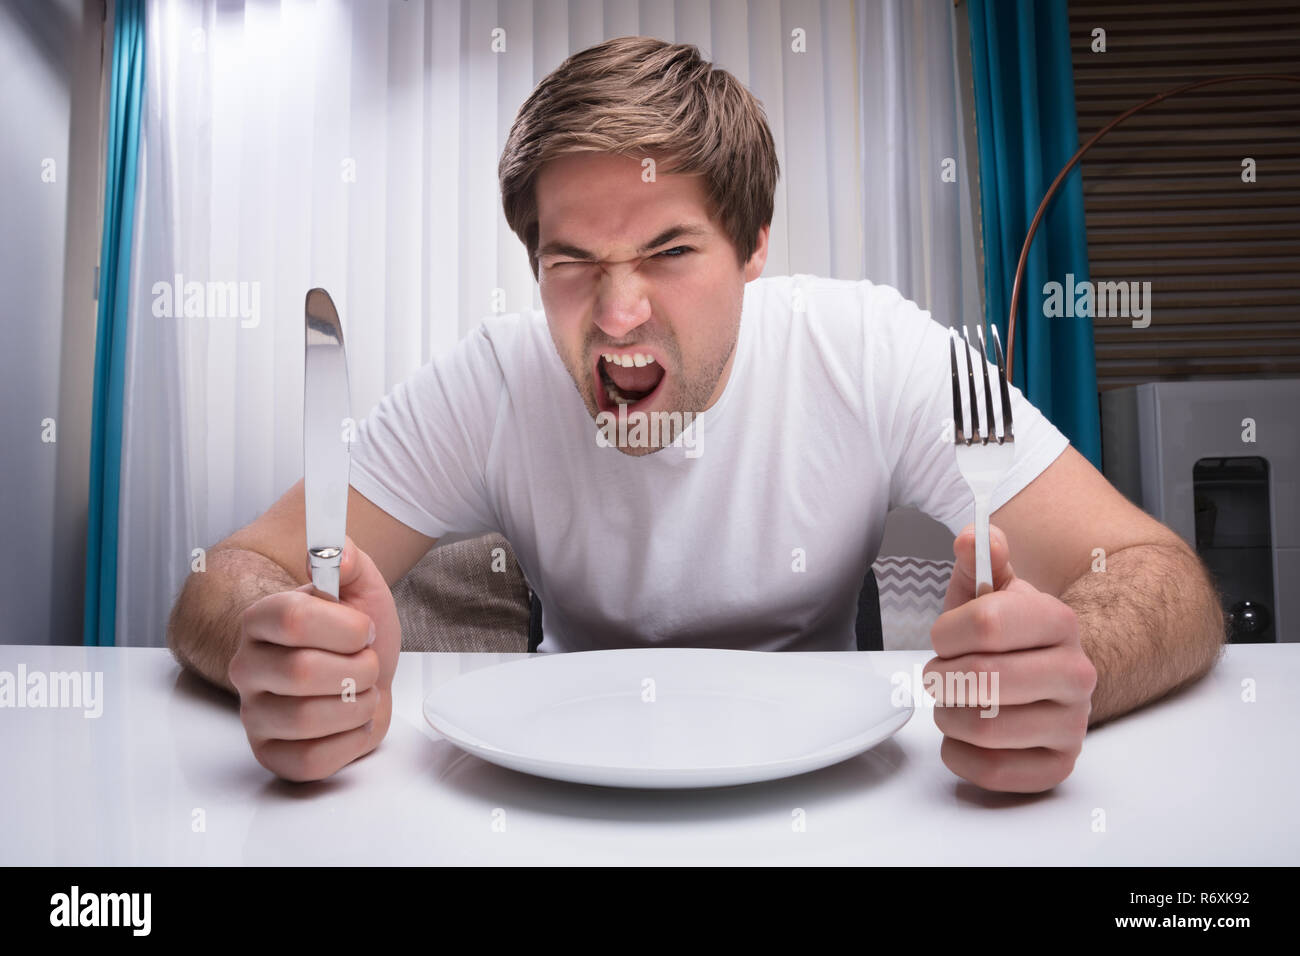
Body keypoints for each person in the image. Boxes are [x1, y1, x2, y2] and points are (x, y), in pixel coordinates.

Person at [168, 36, 1225, 792]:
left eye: (670, 253)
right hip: (555, 790)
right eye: (571, 262)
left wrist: (1066, 661)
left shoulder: (877, 348)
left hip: (834, 791)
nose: (618, 315)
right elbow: (229, 574)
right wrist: (289, 644)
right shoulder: (492, 376)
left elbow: (1158, 572)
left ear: (754, 245)